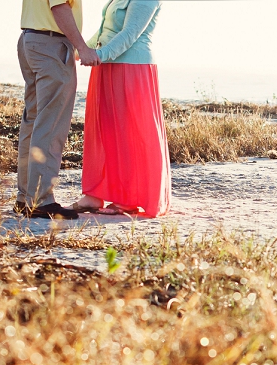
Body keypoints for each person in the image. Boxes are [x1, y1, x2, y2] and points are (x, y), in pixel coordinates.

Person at [69, 0, 171, 217]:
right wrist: (80, 50)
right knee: (102, 131)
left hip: (131, 67)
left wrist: (99, 55)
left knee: (128, 135)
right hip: (106, 66)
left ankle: (127, 200)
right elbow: (104, 30)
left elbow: (130, 33)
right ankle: (93, 195)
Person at [15, 0, 99, 219]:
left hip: (30, 41)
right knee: (51, 123)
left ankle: (26, 198)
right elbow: (59, 7)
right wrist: (82, 47)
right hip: (51, 46)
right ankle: (41, 200)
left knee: (33, 121)